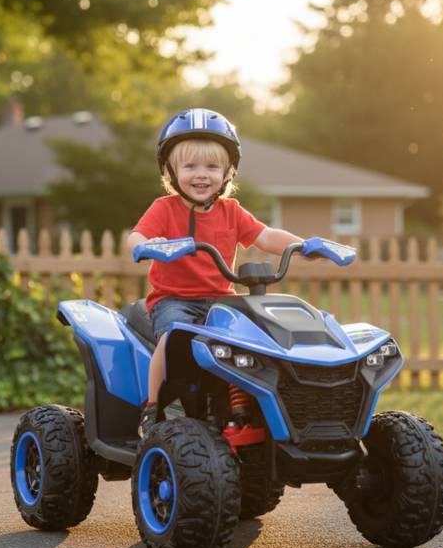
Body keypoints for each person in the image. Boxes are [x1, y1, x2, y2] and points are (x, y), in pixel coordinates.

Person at [126, 108, 308, 437]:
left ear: (228, 172)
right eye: (190, 166)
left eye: (212, 167)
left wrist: (304, 245)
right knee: (171, 338)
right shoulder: (163, 208)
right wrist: (146, 246)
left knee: (258, 339)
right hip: (174, 299)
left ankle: (255, 407)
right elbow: (136, 236)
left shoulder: (231, 211)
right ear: (170, 171)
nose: (202, 175)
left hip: (221, 299)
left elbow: (266, 236)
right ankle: (152, 407)